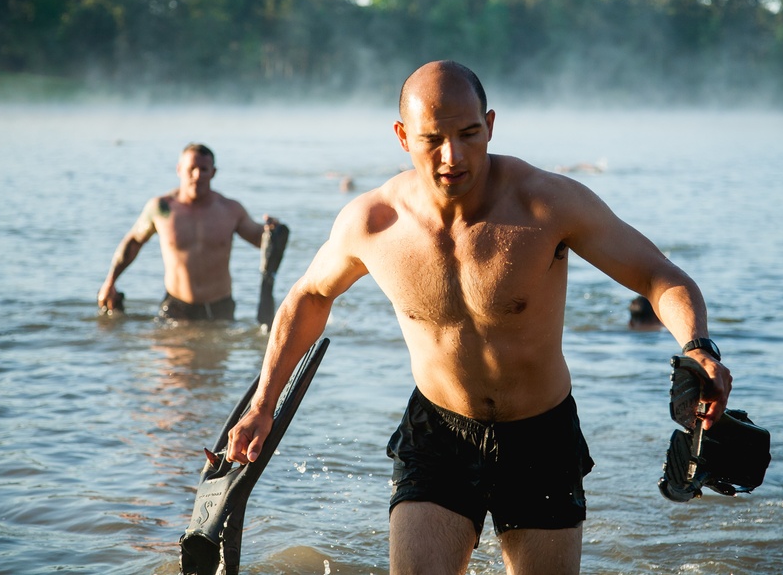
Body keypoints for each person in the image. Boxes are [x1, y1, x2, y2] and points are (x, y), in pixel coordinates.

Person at [225, 61, 732, 573]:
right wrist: (263, 404)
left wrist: (698, 347)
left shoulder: (546, 203)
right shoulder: (374, 223)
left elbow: (658, 276)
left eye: (469, 134)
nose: (454, 156)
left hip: (541, 434)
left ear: (490, 124)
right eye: (433, 139)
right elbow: (309, 297)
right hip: (437, 432)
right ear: (402, 137)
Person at [98, 143, 277, 321]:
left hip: (219, 307)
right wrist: (110, 282)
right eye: (191, 168)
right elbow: (133, 242)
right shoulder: (161, 209)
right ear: (179, 169)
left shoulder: (230, 210)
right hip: (176, 306)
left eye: (204, 169)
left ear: (213, 172)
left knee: (221, 348)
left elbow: (260, 241)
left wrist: (272, 231)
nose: (197, 175)